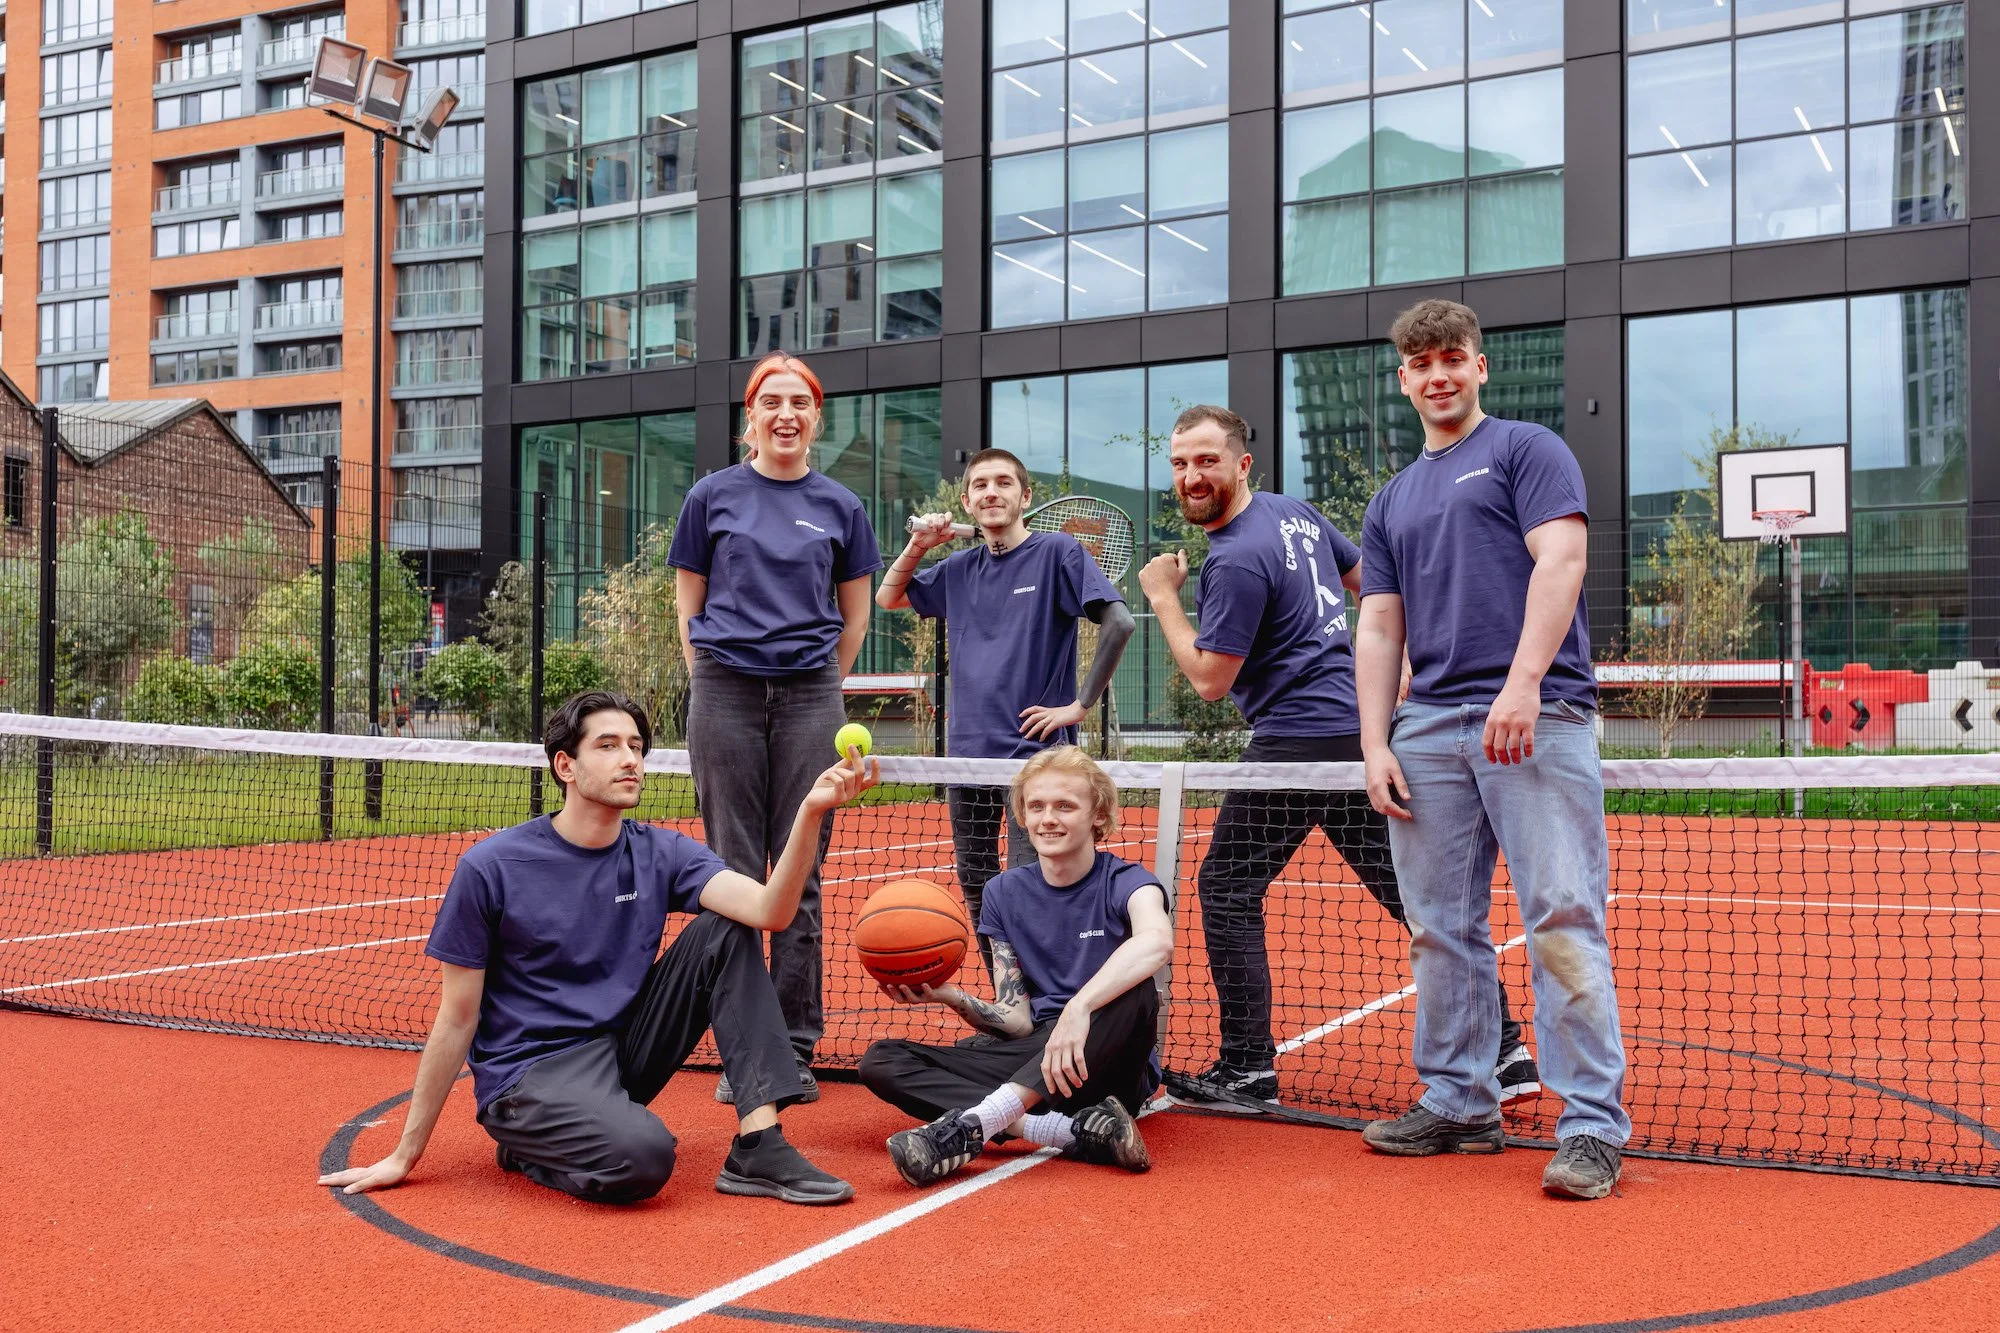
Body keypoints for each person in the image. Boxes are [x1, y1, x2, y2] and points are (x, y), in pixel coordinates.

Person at [316, 690, 879, 1206]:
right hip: (530, 1071)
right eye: (607, 746)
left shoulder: (660, 852)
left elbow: (770, 913)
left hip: (621, 1049)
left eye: (636, 746)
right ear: (566, 765)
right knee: (645, 1160)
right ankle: (530, 1144)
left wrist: (809, 811)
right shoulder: (491, 868)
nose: (630, 759)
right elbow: (457, 1019)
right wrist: (405, 1152)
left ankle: (760, 1144)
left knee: (726, 928)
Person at [1137, 404, 1535, 1111]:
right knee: (1414, 897)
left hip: (1295, 743)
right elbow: (1370, 583)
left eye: (1205, 460)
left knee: (1226, 888)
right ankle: (1505, 1050)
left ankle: (1247, 1067)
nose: (1191, 475)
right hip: (1354, 735)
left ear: (1240, 463)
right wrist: (1404, 653)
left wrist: (1165, 598)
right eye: (1179, 463)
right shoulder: (1298, 514)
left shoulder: (1231, 558)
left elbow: (1209, 681)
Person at [1355, 298, 1629, 1200]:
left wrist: (1520, 685)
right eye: (1419, 363)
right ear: (1404, 380)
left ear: (1479, 366)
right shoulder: (1392, 498)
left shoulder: (1525, 450)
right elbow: (1380, 623)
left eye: (1451, 358)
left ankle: (1590, 1124)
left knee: (1559, 915)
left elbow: (1563, 562)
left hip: (1535, 713)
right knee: (1439, 927)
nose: (1437, 374)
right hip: (1427, 727)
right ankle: (1459, 1101)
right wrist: (1375, 740)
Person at [668, 353, 884, 1104]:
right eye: (772, 401)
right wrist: (708, 678)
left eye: (800, 401)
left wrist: (819, 677)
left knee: (802, 874)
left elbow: (855, 614)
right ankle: (743, 1047)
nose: (786, 413)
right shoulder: (710, 496)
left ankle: (792, 1044)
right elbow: (688, 602)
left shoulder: (841, 506)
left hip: (810, 695)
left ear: (816, 418)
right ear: (750, 417)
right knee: (731, 875)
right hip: (722, 689)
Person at [875, 448, 1135, 981]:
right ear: (967, 500)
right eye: (980, 485)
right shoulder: (959, 567)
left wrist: (1078, 706)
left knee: (1031, 879)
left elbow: (1121, 624)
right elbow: (887, 596)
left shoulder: (1059, 552)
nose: (991, 492)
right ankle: (1008, 989)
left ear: (1024, 497)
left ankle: (1052, 995)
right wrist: (919, 544)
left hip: (1035, 760)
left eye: (1003, 483)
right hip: (966, 755)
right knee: (976, 877)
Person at [857, 746, 1171, 1187]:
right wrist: (949, 996)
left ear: (1098, 816)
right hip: (1041, 1058)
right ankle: (1065, 1132)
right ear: (1022, 815)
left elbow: (1156, 941)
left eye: (1066, 806)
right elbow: (1019, 1020)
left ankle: (970, 1128)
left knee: (1134, 989)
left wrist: (1079, 1008)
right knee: (882, 1061)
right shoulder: (1002, 893)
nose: (1048, 819)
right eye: (1037, 806)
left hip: (1110, 1064)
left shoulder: (1127, 881)